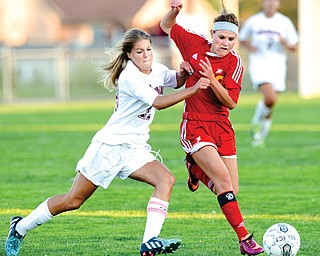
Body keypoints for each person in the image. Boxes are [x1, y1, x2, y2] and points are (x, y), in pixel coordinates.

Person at [4, 28, 210, 256]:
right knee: (73, 200)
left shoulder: (157, 70)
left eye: (149, 50)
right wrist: (193, 90)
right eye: (139, 52)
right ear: (129, 55)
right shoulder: (130, 76)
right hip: (109, 147)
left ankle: (149, 242)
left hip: (134, 149)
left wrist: (182, 72)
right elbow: (158, 102)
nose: (146, 55)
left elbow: (175, 80)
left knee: (166, 180)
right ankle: (20, 227)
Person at [160, 0, 264, 255]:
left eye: (231, 39)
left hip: (222, 126)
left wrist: (212, 81)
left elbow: (231, 102)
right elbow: (166, 25)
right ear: (212, 34)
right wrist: (174, 12)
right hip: (195, 124)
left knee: (229, 190)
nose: (226, 43)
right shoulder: (194, 44)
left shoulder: (235, 63)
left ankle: (194, 168)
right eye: (221, 37)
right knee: (223, 182)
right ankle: (244, 239)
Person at [238, 0, 299, 147]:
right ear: (262, 3)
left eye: (274, 1)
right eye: (268, 1)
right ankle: (256, 121)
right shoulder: (254, 21)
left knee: (271, 104)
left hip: (277, 66)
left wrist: (286, 43)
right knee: (270, 98)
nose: (271, 4)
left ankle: (259, 138)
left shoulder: (284, 22)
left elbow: (294, 46)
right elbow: (242, 38)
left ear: (279, 4)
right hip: (259, 64)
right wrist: (250, 47)